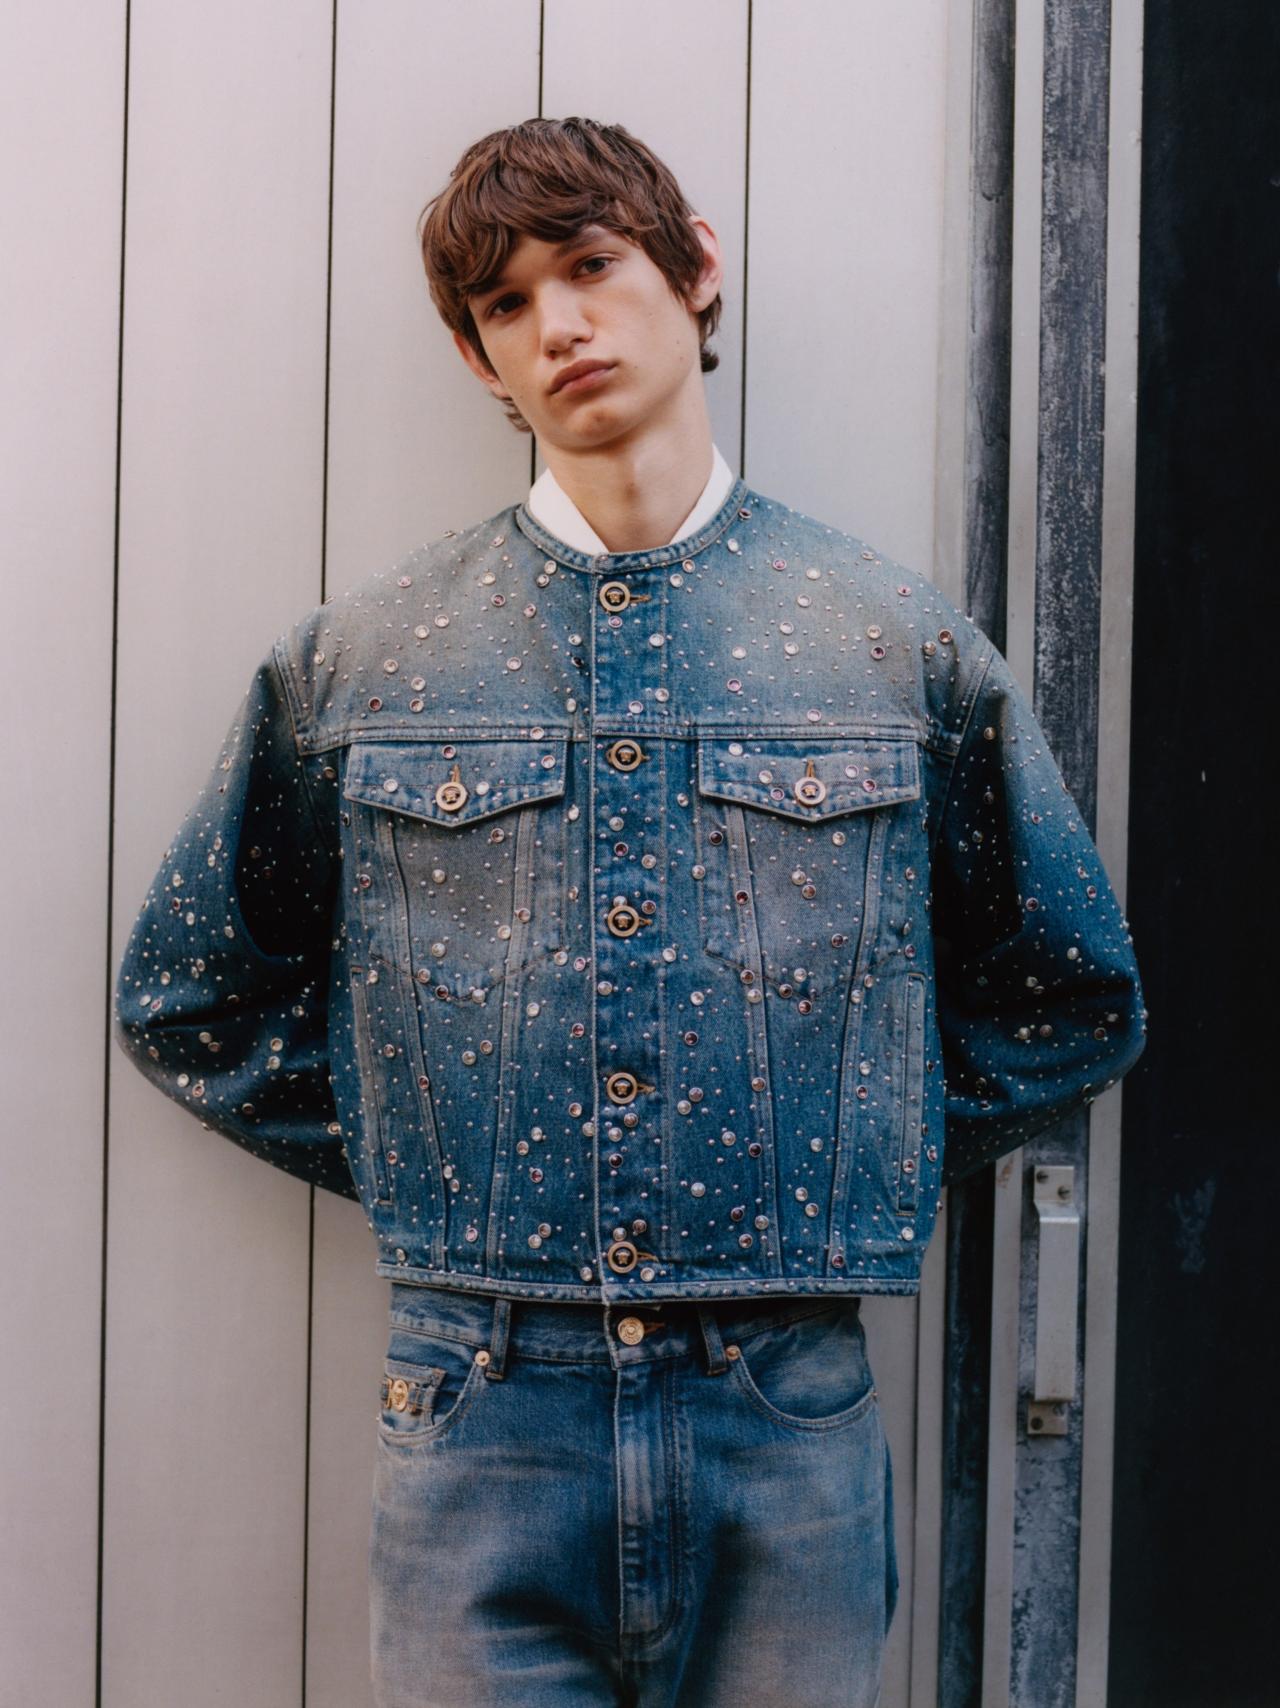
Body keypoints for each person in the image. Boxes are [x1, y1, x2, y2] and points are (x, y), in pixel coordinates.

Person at [114, 116, 1146, 1708]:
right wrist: (432, 1143)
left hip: (786, 1409)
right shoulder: (362, 666)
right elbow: (190, 995)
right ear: (477, 357)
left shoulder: (890, 647)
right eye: (507, 304)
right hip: (478, 1407)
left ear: (694, 266)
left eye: (590, 266)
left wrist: (845, 1146)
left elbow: (1069, 995)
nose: (561, 325)